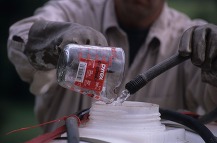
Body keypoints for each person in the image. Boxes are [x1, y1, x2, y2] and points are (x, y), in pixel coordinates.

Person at [7, 0, 217, 132]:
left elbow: (212, 105)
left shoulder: (190, 42)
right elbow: (20, 36)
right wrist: (54, 40)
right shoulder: (73, 11)